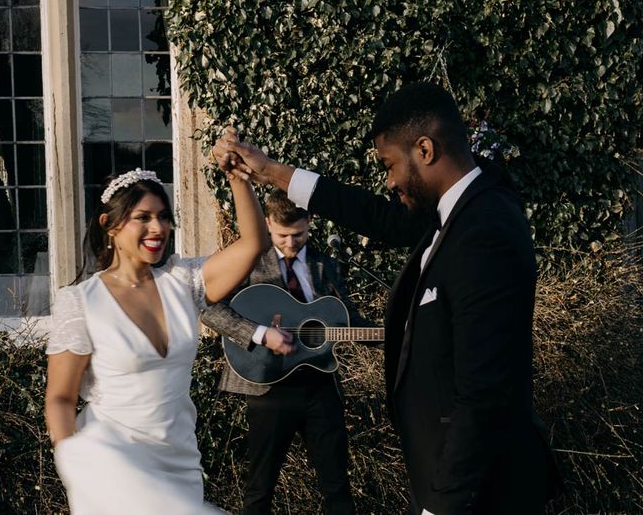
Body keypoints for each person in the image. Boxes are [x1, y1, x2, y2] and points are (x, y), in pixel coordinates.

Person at [213, 83, 560, 515]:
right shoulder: (452, 213)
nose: (390, 181)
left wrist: (441, 506)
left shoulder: (485, 229)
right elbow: (380, 218)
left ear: (425, 149)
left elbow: (485, 390)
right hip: (445, 477)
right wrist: (269, 171)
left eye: (390, 164)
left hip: (478, 491)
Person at [45, 149, 268, 514]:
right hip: (113, 464)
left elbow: (254, 245)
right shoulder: (80, 302)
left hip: (179, 464)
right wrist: (72, 462)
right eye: (143, 217)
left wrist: (236, 179)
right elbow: (61, 398)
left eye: (164, 217)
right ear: (110, 225)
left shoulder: (184, 281)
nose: (158, 228)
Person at [201, 189, 376, 514]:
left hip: (320, 386)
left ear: (310, 221)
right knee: (260, 489)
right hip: (267, 385)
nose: (291, 243)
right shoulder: (249, 261)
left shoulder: (327, 266)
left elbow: (347, 319)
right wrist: (260, 333)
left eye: (298, 235)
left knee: (337, 487)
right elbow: (209, 307)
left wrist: (390, 335)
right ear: (267, 223)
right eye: (282, 236)